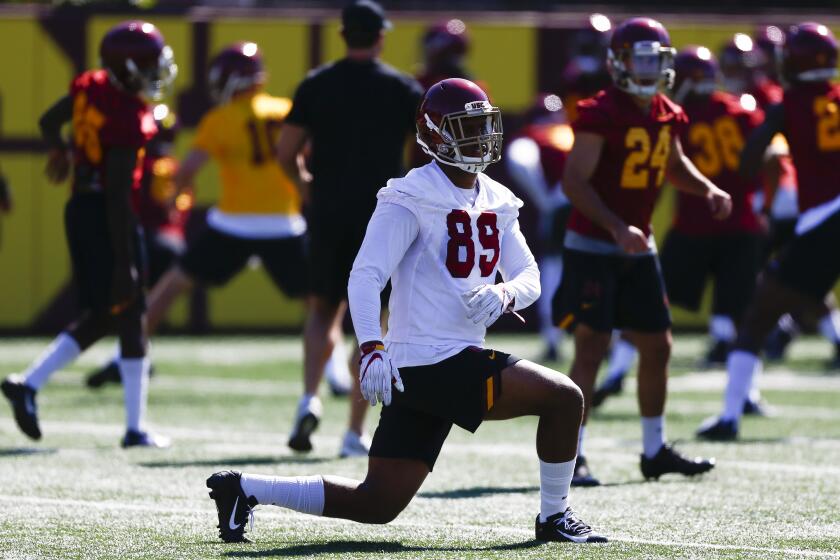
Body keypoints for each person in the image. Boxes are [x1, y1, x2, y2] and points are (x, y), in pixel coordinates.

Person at [206, 78, 606, 545]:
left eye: (482, 126)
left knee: (377, 503)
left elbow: (530, 276)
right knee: (565, 398)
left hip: (433, 365)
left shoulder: (496, 197)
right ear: (435, 135)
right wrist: (372, 347)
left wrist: (504, 295)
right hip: (431, 360)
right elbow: (365, 276)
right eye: (466, 128)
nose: (479, 138)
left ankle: (243, 489)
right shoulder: (411, 194)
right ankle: (554, 516)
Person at [552, 17, 726, 486]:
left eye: (657, 60)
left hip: (637, 245)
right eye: (642, 59)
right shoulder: (600, 111)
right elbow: (574, 181)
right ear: (620, 62)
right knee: (591, 346)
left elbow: (674, 163)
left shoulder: (666, 110)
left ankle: (654, 449)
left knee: (658, 344)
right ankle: (574, 455)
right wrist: (614, 226)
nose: (650, 69)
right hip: (594, 244)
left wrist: (706, 189)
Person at [1, 21, 176, 447]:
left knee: (112, 315)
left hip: (80, 208)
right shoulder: (129, 115)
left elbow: (48, 121)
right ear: (127, 68)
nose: (157, 74)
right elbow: (117, 194)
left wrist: (61, 148)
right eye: (149, 65)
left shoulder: (91, 86)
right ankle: (132, 429)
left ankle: (30, 385)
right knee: (128, 310)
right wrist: (125, 263)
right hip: (108, 216)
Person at [275, 0, 424, 455]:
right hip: (381, 216)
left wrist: (305, 187)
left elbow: (285, 151)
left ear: (343, 36)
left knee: (322, 311)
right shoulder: (402, 88)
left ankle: (309, 397)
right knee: (372, 322)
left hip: (327, 211)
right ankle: (354, 431)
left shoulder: (317, 83)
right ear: (380, 36)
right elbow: (423, 158)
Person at [698, 23, 840, 440]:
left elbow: (748, 159)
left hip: (822, 221)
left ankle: (729, 418)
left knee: (757, 317)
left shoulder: (789, 103)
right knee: (797, 301)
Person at [84, 103, 192, 388]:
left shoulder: (138, 164)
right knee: (146, 307)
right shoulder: (175, 168)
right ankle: (133, 356)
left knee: (131, 307)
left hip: (145, 239)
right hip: (173, 244)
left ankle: (126, 358)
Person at [505, 93, 573, 361]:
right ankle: (610, 337)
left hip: (562, 206)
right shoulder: (574, 132)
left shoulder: (531, 136)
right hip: (593, 204)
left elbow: (521, 162)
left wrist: (546, 199)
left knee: (554, 270)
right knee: (597, 268)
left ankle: (553, 337)